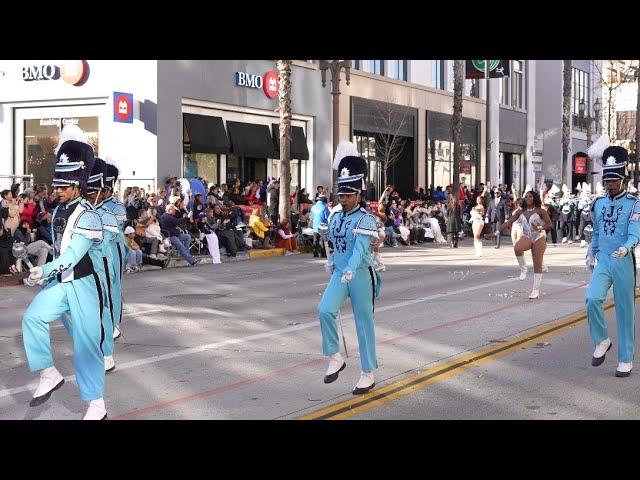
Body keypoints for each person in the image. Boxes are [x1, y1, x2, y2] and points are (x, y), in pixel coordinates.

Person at [21, 124, 110, 420]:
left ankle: (96, 405)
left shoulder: (89, 215)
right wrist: (42, 273)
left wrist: (46, 268)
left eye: (62, 186)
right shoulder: (59, 211)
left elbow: (73, 255)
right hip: (61, 282)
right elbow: (60, 252)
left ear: (77, 186)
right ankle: (48, 373)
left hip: (84, 286)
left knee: (86, 348)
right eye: (56, 185)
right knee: (32, 318)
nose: (56, 190)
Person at [318, 145, 382, 395]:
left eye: (347, 196)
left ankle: (368, 373)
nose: (342, 199)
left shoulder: (365, 219)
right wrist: (332, 258)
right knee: (324, 309)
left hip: (359, 275)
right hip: (340, 273)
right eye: (340, 195)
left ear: (357, 195)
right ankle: (335, 356)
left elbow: (359, 250)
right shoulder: (336, 216)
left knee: (364, 323)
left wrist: (350, 269)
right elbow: (334, 241)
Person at [585, 137, 640, 377]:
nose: (609, 183)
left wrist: (627, 247)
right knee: (592, 299)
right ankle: (602, 339)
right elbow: (596, 231)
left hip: (623, 261)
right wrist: (591, 252)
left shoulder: (634, 203)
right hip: (604, 259)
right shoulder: (597, 204)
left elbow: (635, 231)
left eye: (614, 179)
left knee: (625, 310)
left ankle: (626, 358)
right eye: (607, 178)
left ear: (622, 179)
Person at [500, 190, 552, 299]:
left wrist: (540, 227)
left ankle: (535, 290)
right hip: (527, 235)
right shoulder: (520, 211)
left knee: (537, 263)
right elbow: (509, 222)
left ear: (535, 198)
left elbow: (549, 224)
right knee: (517, 248)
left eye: (530, 197)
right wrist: (496, 231)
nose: (528, 199)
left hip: (539, 236)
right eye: (526, 197)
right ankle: (523, 269)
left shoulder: (540, 211)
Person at [101, 158, 128, 340]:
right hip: (98, 249)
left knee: (114, 286)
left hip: (114, 247)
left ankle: (114, 323)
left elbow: (115, 232)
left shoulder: (116, 206)